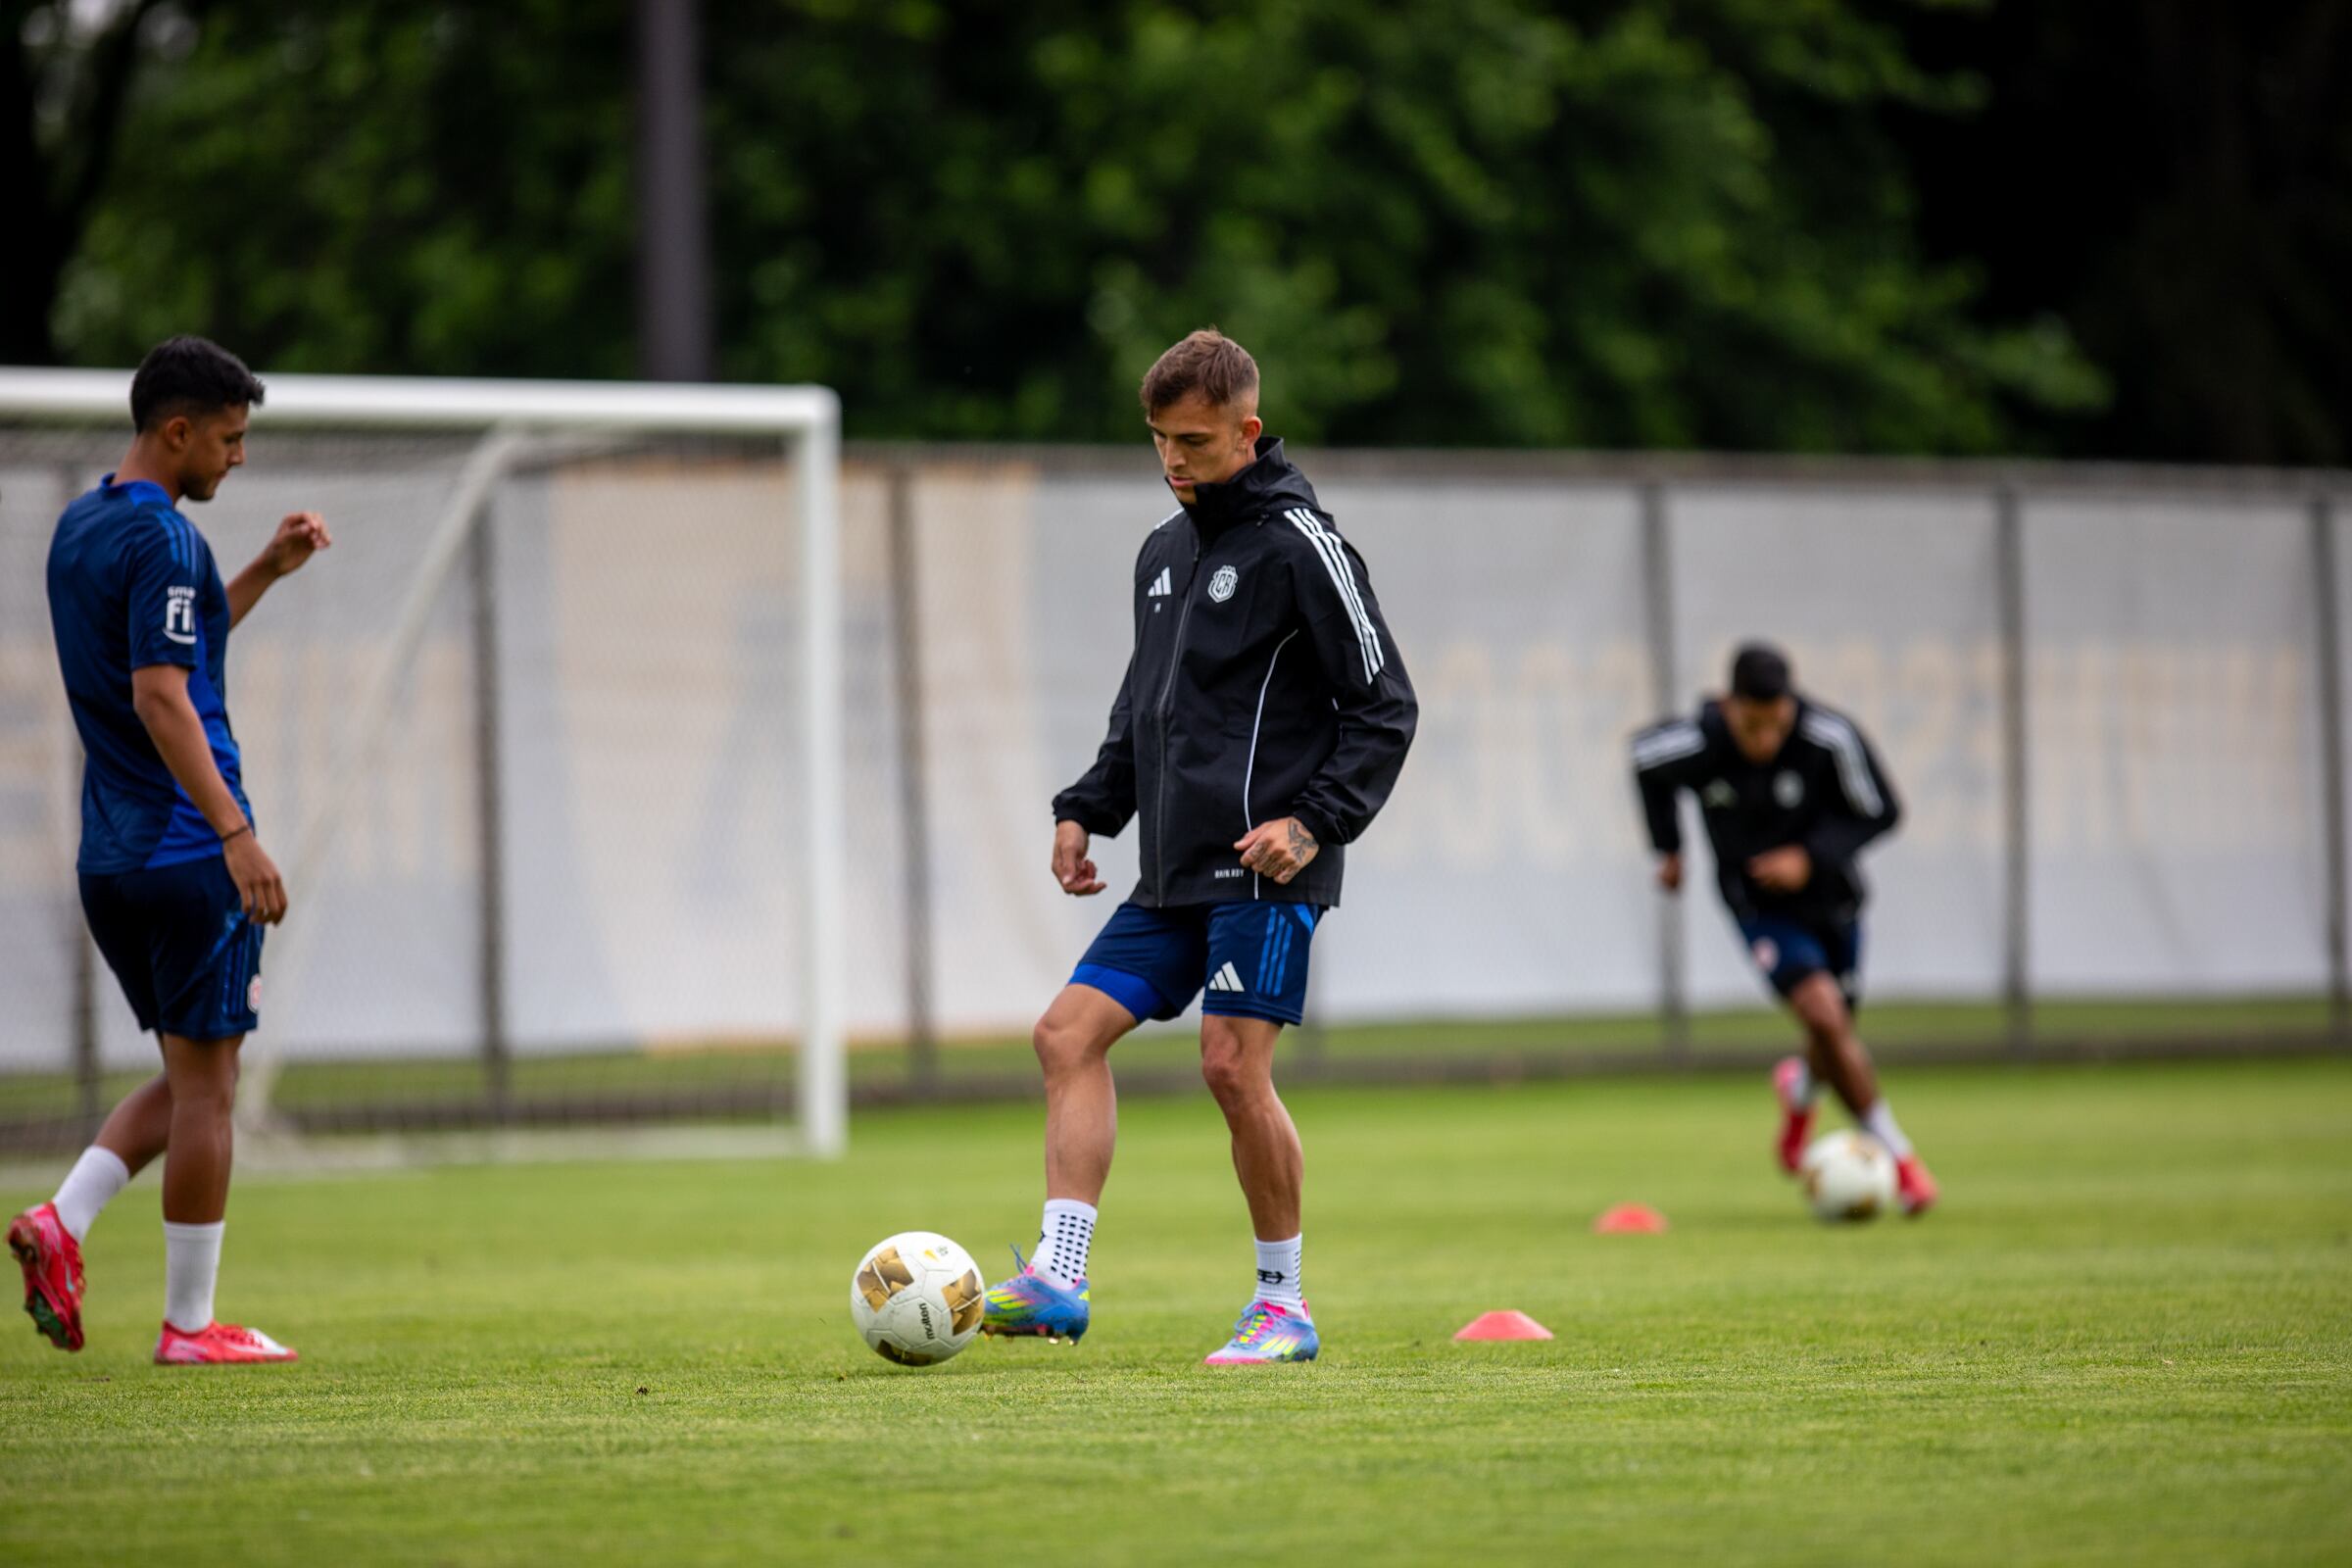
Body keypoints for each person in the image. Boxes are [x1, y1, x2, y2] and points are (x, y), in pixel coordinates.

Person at [981, 329, 1417, 1364]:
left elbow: (1385, 706)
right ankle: (1059, 1278)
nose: (1174, 462)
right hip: (1174, 869)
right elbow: (1147, 705)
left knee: (1230, 1066)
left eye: (1195, 441)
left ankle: (1283, 1306)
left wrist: (1312, 821)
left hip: (1270, 868)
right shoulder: (1164, 552)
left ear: (1247, 432)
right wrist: (1089, 806)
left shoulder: (1304, 543)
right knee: (1065, 1036)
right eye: (1159, 442)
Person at [11, 335, 331, 1364]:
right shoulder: (168, 542)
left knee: (200, 1071)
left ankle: (60, 1224)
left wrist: (266, 572)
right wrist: (238, 835)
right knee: (207, 1088)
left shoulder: (83, 527)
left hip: (112, 851)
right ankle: (190, 1328)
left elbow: (170, 654)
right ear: (177, 430)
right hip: (190, 845)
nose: (237, 459)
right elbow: (161, 694)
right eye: (229, 440)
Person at [1631, 642, 1939, 1215]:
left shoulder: (1828, 737)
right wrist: (1668, 848)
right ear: (1729, 706)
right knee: (1825, 1015)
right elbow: (1645, 759)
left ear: (1791, 707)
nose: (1766, 740)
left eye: (1777, 725)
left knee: (1833, 1034)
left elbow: (1882, 810)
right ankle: (1901, 1160)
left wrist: (1809, 856)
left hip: (1833, 903)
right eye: (1752, 726)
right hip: (1759, 909)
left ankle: (1800, 1091)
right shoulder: (1702, 741)